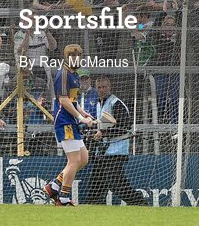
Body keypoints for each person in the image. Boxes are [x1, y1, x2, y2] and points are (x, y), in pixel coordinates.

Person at [81, 75, 147, 205]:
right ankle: (93, 206)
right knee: (96, 182)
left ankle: (140, 202)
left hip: (116, 150)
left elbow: (124, 127)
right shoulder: (101, 104)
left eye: (104, 87)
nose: (102, 90)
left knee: (116, 184)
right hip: (104, 151)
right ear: (96, 88)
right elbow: (102, 125)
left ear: (109, 87)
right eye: (99, 87)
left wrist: (103, 133)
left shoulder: (116, 103)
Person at [44, 44, 94, 206]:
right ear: (66, 57)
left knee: (83, 159)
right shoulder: (63, 74)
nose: (75, 58)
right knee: (74, 160)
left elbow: (72, 100)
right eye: (72, 56)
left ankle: (53, 186)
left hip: (71, 120)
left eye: (78, 55)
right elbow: (63, 100)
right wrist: (80, 117)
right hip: (64, 121)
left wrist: (83, 112)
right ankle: (63, 198)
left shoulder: (74, 74)